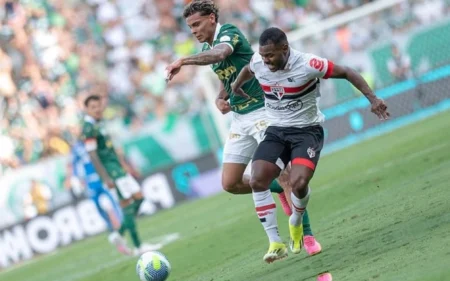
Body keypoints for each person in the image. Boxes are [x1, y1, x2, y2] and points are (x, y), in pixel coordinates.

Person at [165, 0, 322, 256]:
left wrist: (183, 60)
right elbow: (225, 73)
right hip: (240, 118)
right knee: (230, 182)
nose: (193, 30)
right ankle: (275, 189)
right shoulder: (207, 46)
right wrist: (221, 96)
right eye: (190, 26)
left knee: (286, 175)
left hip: (263, 112)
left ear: (212, 19)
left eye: (197, 24)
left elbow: (221, 55)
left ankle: (307, 237)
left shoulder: (229, 34)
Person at [231, 27, 390, 264]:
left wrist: (373, 99)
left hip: (306, 132)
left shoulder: (309, 64)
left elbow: (347, 72)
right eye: (263, 56)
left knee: (299, 182)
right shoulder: (259, 61)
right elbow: (247, 69)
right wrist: (235, 86)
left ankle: (296, 220)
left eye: (270, 56)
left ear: (285, 49)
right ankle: (275, 242)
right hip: (276, 130)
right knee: (257, 179)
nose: (266, 61)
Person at [81, 95, 161, 256]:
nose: (97, 109)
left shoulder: (99, 123)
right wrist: (106, 178)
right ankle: (138, 246)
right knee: (126, 205)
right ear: (87, 110)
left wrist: (125, 166)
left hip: (119, 168)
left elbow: (110, 149)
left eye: (99, 106)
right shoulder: (89, 128)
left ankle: (119, 233)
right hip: (112, 173)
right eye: (93, 107)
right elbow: (92, 154)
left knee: (139, 198)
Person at [66, 135, 126, 254]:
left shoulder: (94, 142)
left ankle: (121, 226)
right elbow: (74, 165)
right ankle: (111, 228)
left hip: (101, 177)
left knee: (113, 201)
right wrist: (76, 179)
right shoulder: (77, 148)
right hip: (90, 181)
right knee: (98, 206)